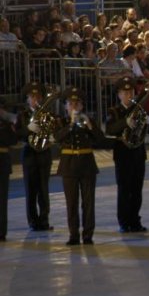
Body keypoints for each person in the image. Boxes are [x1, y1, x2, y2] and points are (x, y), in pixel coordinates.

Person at [54, 87, 106, 246]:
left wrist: (89, 124)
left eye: (77, 103)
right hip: (68, 165)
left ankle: (88, 234)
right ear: (65, 106)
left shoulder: (88, 121)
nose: (74, 106)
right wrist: (71, 124)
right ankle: (73, 234)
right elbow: (57, 137)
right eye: (71, 103)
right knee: (71, 203)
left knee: (88, 202)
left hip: (86, 164)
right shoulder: (60, 121)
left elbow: (100, 139)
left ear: (82, 105)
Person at [105, 77, 149, 233]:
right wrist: (125, 122)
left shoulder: (139, 109)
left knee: (137, 189)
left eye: (131, 92)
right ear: (119, 95)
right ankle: (124, 221)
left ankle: (135, 220)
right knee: (124, 189)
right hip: (123, 154)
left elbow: (148, 132)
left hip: (138, 153)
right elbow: (110, 130)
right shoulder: (114, 111)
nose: (129, 95)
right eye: (125, 92)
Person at [14, 81, 55, 232]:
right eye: (32, 96)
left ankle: (44, 220)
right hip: (29, 154)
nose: (35, 99)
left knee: (44, 189)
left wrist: (51, 137)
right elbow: (17, 135)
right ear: (27, 99)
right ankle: (32, 221)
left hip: (44, 153)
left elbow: (53, 131)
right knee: (30, 190)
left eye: (38, 96)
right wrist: (28, 129)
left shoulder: (47, 114)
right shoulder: (23, 115)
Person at [0, 97, 18, 242]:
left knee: (2, 199)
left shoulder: (7, 124)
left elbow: (12, 140)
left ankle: (1, 231)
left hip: (2, 161)